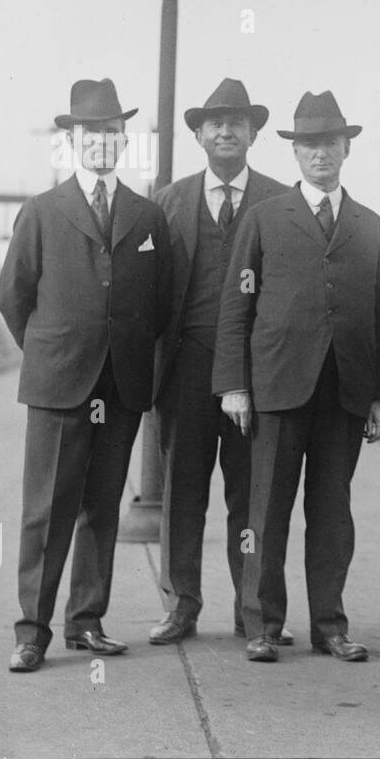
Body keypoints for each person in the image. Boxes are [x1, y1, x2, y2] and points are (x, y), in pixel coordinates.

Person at [213, 90, 380, 664]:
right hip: (276, 389)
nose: (321, 153)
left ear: (346, 149)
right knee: (265, 512)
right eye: (309, 144)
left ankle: (330, 627)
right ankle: (262, 625)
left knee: (332, 513)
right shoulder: (264, 218)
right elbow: (235, 306)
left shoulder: (371, 225)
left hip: (343, 393)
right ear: (295, 153)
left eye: (330, 143)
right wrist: (235, 385)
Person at [0, 77, 171, 672]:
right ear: (72, 140)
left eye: (110, 131)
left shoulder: (147, 216)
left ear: (125, 140)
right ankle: (31, 633)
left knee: (101, 507)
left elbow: (161, 305)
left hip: (119, 386)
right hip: (58, 386)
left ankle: (86, 622)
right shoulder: (42, 212)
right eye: (88, 132)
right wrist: (51, 354)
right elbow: (13, 296)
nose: (100, 141)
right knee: (46, 509)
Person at [149, 79, 288, 645]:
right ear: (199, 134)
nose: (226, 130)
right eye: (215, 122)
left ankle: (250, 609)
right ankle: (182, 605)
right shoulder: (167, 201)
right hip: (184, 369)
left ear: (253, 133)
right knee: (182, 492)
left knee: (250, 495)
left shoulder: (282, 201)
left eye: (237, 122)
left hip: (255, 375)